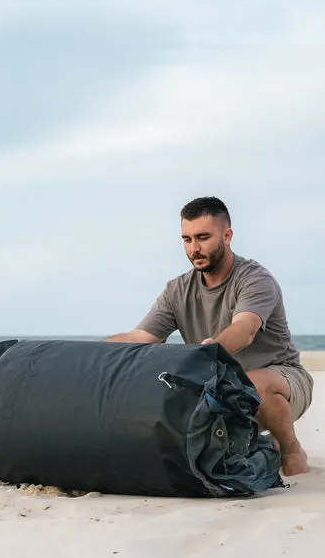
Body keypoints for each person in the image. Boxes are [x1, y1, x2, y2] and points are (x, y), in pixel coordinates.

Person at [106, 196, 313, 477]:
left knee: (253, 385)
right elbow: (140, 337)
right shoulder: (177, 290)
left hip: (282, 379)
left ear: (227, 236)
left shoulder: (255, 278)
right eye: (187, 239)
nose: (194, 248)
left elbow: (245, 328)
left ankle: (292, 450)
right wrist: (88, 353)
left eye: (203, 237)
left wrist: (211, 350)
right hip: (216, 386)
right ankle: (260, 443)